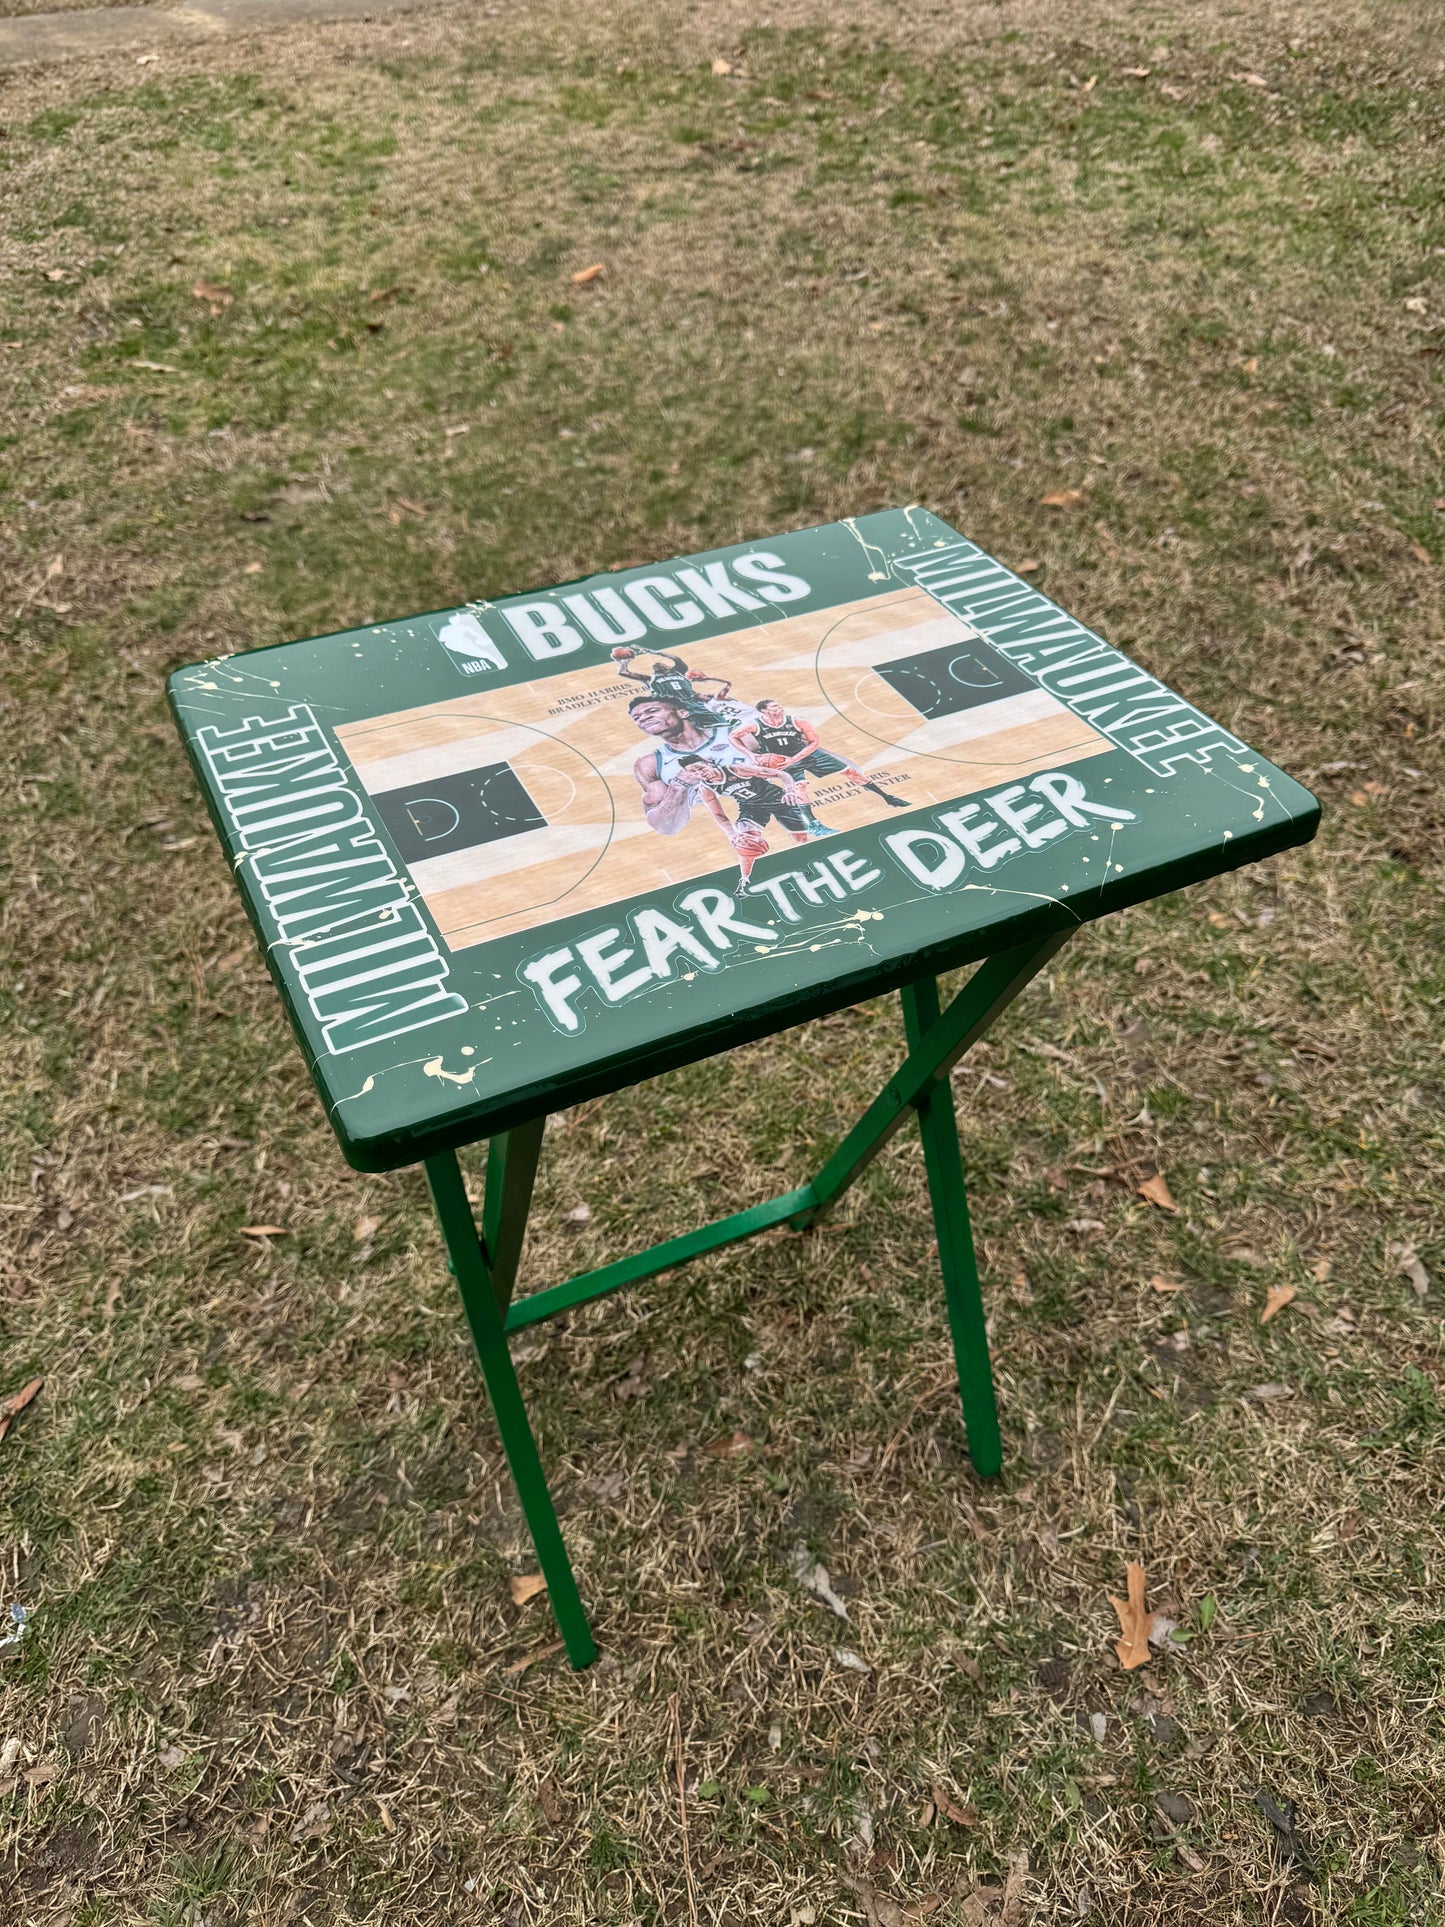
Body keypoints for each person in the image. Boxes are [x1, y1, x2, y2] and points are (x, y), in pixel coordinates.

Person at [629, 697, 831, 894]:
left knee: (802, 838)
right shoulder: (651, 764)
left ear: (682, 712)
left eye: (651, 711)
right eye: (636, 717)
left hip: (773, 797)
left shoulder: (738, 735)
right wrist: (680, 786)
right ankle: (745, 881)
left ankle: (812, 860)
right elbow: (666, 827)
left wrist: (791, 787)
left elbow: (798, 755)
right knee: (744, 845)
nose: (643, 718)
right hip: (744, 811)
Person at [730, 699, 910, 809]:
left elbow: (815, 742)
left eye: (779, 706)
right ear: (764, 711)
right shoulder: (754, 724)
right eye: (775, 707)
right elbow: (733, 736)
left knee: (851, 771)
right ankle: (812, 823)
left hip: (803, 754)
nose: (780, 708)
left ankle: (888, 798)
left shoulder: (797, 721)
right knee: (799, 788)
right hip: (781, 760)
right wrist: (751, 756)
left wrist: (795, 758)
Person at [613, 648, 751, 728]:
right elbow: (623, 672)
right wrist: (625, 661)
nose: (657, 665)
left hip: (692, 701)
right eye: (655, 666)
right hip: (674, 706)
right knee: (689, 728)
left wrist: (657, 653)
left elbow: (676, 659)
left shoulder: (678, 672)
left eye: (661, 664)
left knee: (717, 721)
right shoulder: (650, 679)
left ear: (668, 667)